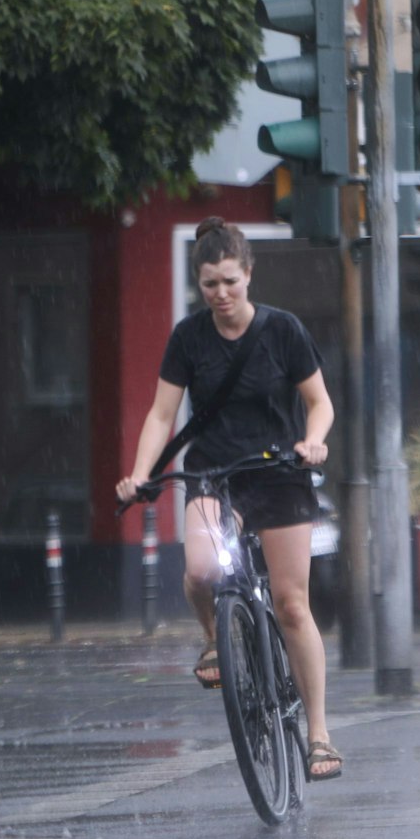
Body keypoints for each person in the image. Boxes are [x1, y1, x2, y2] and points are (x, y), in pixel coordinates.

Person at [115, 217, 341, 782]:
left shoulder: (282, 330)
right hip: (215, 475)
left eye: (230, 282)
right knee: (199, 571)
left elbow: (320, 402)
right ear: (199, 282)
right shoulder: (189, 338)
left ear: (249, 275)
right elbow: (162, 413)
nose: (220, 293)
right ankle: (217, 638)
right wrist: (139, 473)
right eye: (210, 283)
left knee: (292, 604)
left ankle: (318, 735)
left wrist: (313, 443)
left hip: (279, 473)